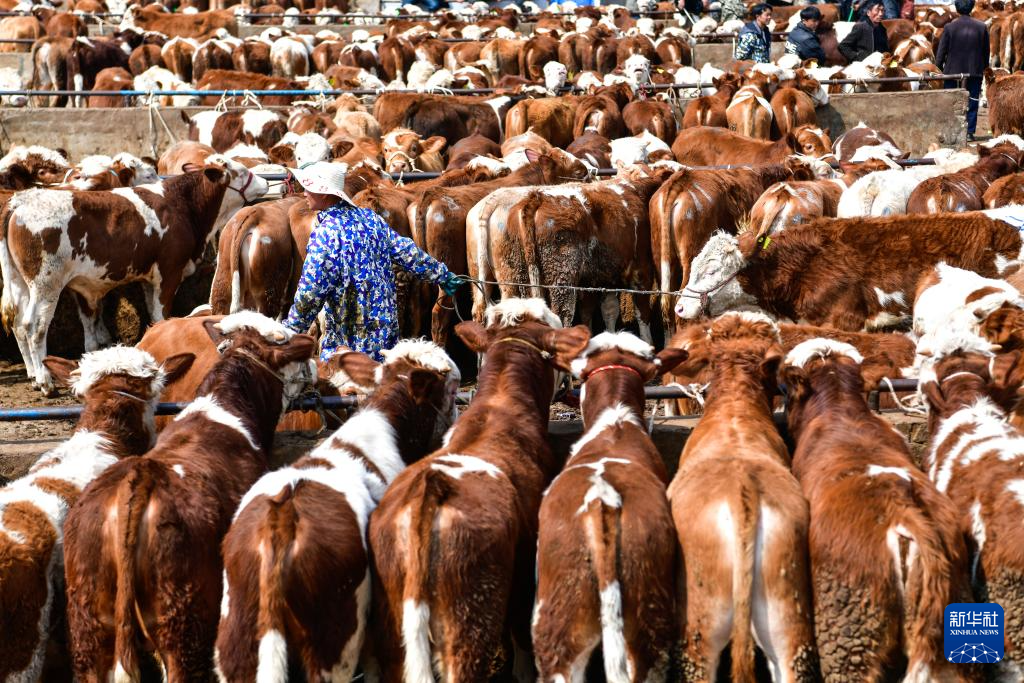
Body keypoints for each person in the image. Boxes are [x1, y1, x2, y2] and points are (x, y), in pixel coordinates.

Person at [283, 161, 463, 361]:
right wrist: (441, 274)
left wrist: (288, 332)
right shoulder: (370, 219)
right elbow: (406, 251)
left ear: (323, 193)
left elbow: (310, 293)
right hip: (385, 342)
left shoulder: (325, 235)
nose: (304, 193)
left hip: (348, 349)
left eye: (308, 188)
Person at [936, 0, 989, 140]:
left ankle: (953, 131)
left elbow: (941, 52)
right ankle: (969, 132)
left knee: (952, 100)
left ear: (956, 8)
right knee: (972, 100)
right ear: (972, 6)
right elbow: (986, 52)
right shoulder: (982, 27)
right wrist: (983, 67)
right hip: (974, 71)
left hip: (952, 72)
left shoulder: (949, 27)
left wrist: (940, 67)